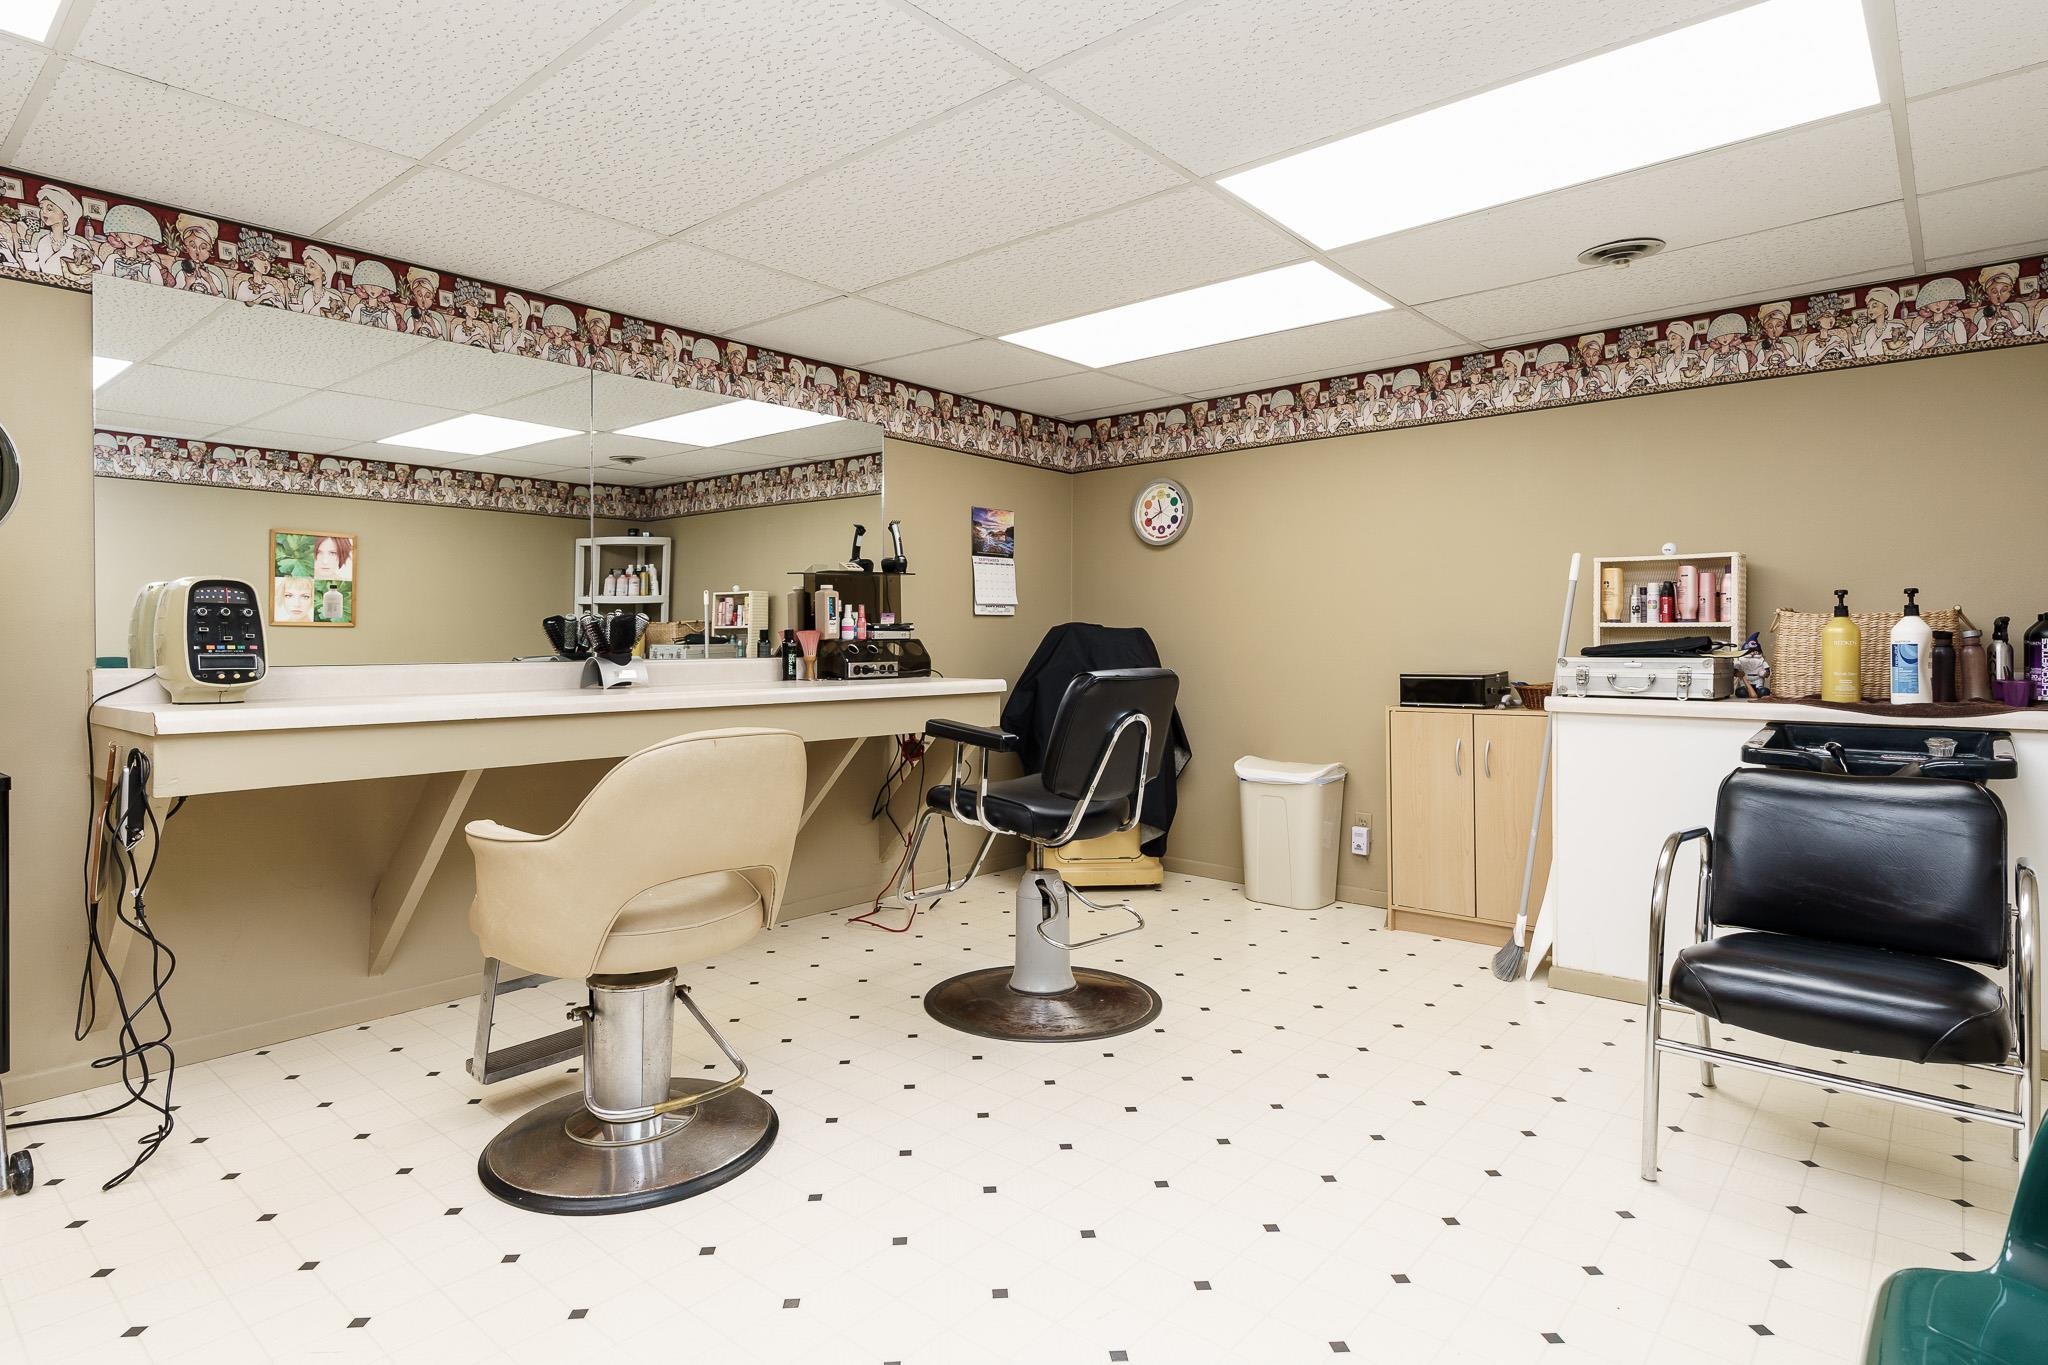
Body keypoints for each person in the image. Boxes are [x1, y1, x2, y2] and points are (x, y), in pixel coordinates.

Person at [21, 184, 94, 279]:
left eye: (49, 209)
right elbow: (33, 271)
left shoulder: (80, 245)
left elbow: (97, 272)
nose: (43, 212)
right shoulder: (42, 241)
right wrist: (23, 237)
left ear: (65, 215)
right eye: (41, 208)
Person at [96, 203, 169, 284]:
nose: (130, 237)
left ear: (145, 237)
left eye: (137, 233)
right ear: (117, 234)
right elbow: (104, 282)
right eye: (125, 232)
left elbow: (158, 287)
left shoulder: (150, 266)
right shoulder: (113, 259)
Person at [1909, 276, 1970, 351]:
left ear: (1950, 302)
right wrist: (1927, 346)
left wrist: (1952, 341)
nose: (1938, 304)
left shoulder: (1956, 323)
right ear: (1926, 306)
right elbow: (1915, 351)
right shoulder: (1923, 327)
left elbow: (1964, 350)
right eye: (1932, 301)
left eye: (1942, 300)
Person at [231, 229, 290, 306]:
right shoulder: (244, 285)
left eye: (269, 259)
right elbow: (241, 306)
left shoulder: (270, 287)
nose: (266, 263)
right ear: (249, 259)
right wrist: (263, 297)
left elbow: (281, 308)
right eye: (262, 258)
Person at [1974, 264, 2030, 339]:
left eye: (2004, 290)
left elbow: (2027, 338)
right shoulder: (1984, 319)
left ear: (2011, 292)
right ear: (1987, 295)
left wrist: (2011, 319)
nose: (1999, 296)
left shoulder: (2016, 314)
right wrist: (1988, 327)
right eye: (1994, 292)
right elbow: (1978, 344)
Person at [349, 259, 403, 330]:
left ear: (383, 289)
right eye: (369, 284)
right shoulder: (359, 308)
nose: (373, 288)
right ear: (362, 287)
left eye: (377, 285)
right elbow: (352, 328)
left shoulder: (387, 313)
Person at [1702, 312, 1752, 378]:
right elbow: (1706, 378)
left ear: (1735, 335)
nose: (1725, 337)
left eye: (1728, 334)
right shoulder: (1713, 357)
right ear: (1715, 338)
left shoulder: (1739, 354)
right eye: (1721, 335)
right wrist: (1717, 373)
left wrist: (1736, 370)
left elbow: (1746, 377)